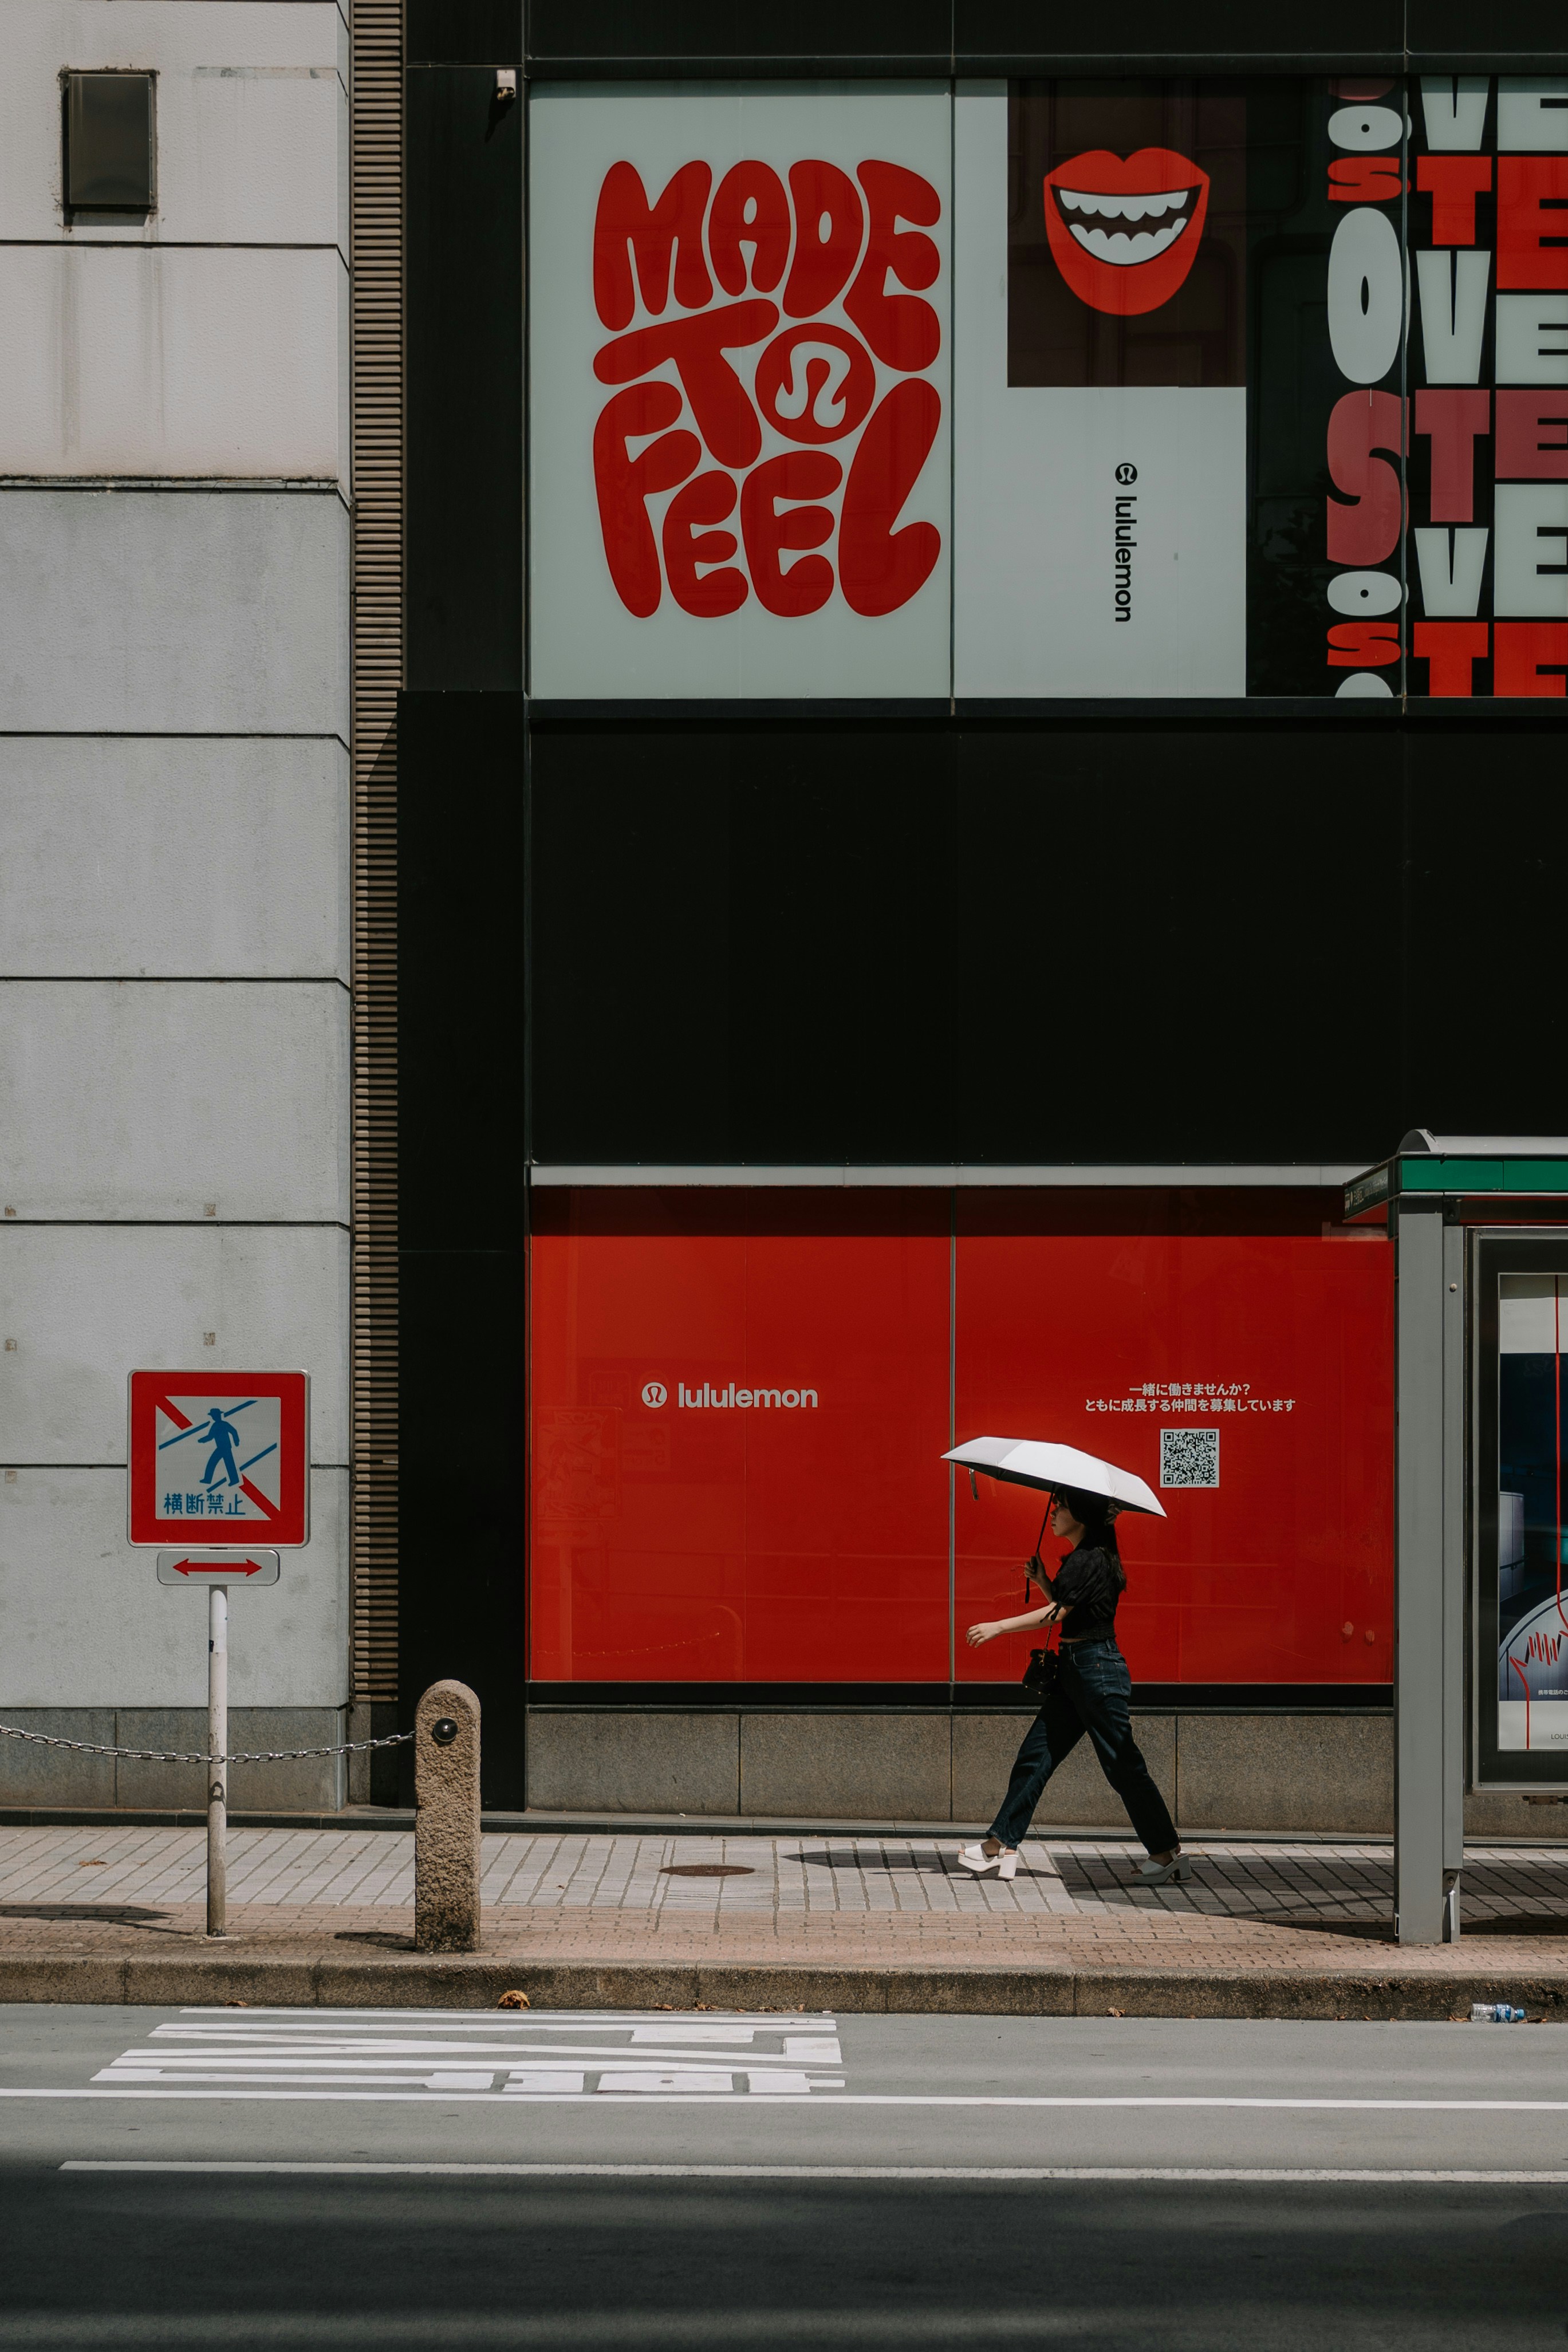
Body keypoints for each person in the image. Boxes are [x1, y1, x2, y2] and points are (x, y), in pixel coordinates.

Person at [956, 1484, 1187, 1885]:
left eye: (1059, 1506)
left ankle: (1166, 1852)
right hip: (1079, 1669)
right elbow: (1070, 1611)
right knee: (1036, 1756)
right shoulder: (1086, 1558)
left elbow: (1055, 1614)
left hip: (1097, 1670)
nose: (1053, 1512)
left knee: (1122, 1765)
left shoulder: (1090, 1559)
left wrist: (998, 1626)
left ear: (1079, 1514)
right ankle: (1000, 1844)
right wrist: (1045, 1580)